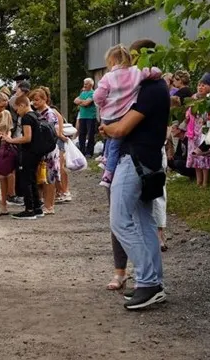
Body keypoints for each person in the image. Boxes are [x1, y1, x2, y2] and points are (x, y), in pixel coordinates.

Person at [100, 38, 170, 310]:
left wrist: (106, 128)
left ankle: (148, 281)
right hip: (149, 161)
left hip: (135, 160)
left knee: (119, 220)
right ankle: (154, 283)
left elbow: (119, 129)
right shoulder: (155, 86)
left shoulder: (150, 89)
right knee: (145, 224)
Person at [94, 45, 160, 188]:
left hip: (109, 114)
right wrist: (157, 73)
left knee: (111, 142)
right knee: (115, 145)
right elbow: (154, 72)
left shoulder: (108, 77)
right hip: (125, 114)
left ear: (111, 61)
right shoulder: (137, 71)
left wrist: (102, 103)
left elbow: (98, 96)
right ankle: (107, 163)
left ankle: (108, 173)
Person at [4, 95, 45, 220]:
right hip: (38, 152)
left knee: (26, 180)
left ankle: (29, 209)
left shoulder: (27, 118)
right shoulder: (37, 115)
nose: (17, 112)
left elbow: (27, 137)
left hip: (29, 152)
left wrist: (11, 140)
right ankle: (37, 207)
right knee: (32, 179)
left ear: (22, 105)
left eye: (17, 109)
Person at [74, 78, 98, 156]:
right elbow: (75, 100)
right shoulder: (83, 93)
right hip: (83, 116)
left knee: (90, 134)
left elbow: (86, 103)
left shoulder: (93, 93)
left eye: (86, 84)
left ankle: (89, 152)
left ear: (91, 85)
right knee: (81, 134)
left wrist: (80, 102)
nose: (84, 85)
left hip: (91, 117)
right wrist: (83, 102)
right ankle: (82, 151)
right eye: (84, 83)